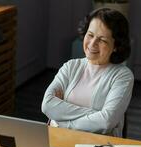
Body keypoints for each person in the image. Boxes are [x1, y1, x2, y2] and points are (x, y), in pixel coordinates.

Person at [41, 8, 134, 137]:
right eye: (90, 35)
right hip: (58, 139)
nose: (92, 43)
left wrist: (64, 123)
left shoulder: (122, 76)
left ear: (116, 46)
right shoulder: (70, 66)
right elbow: (47, 105)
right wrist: (96, 114)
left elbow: (107, 121)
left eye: (102, 40)